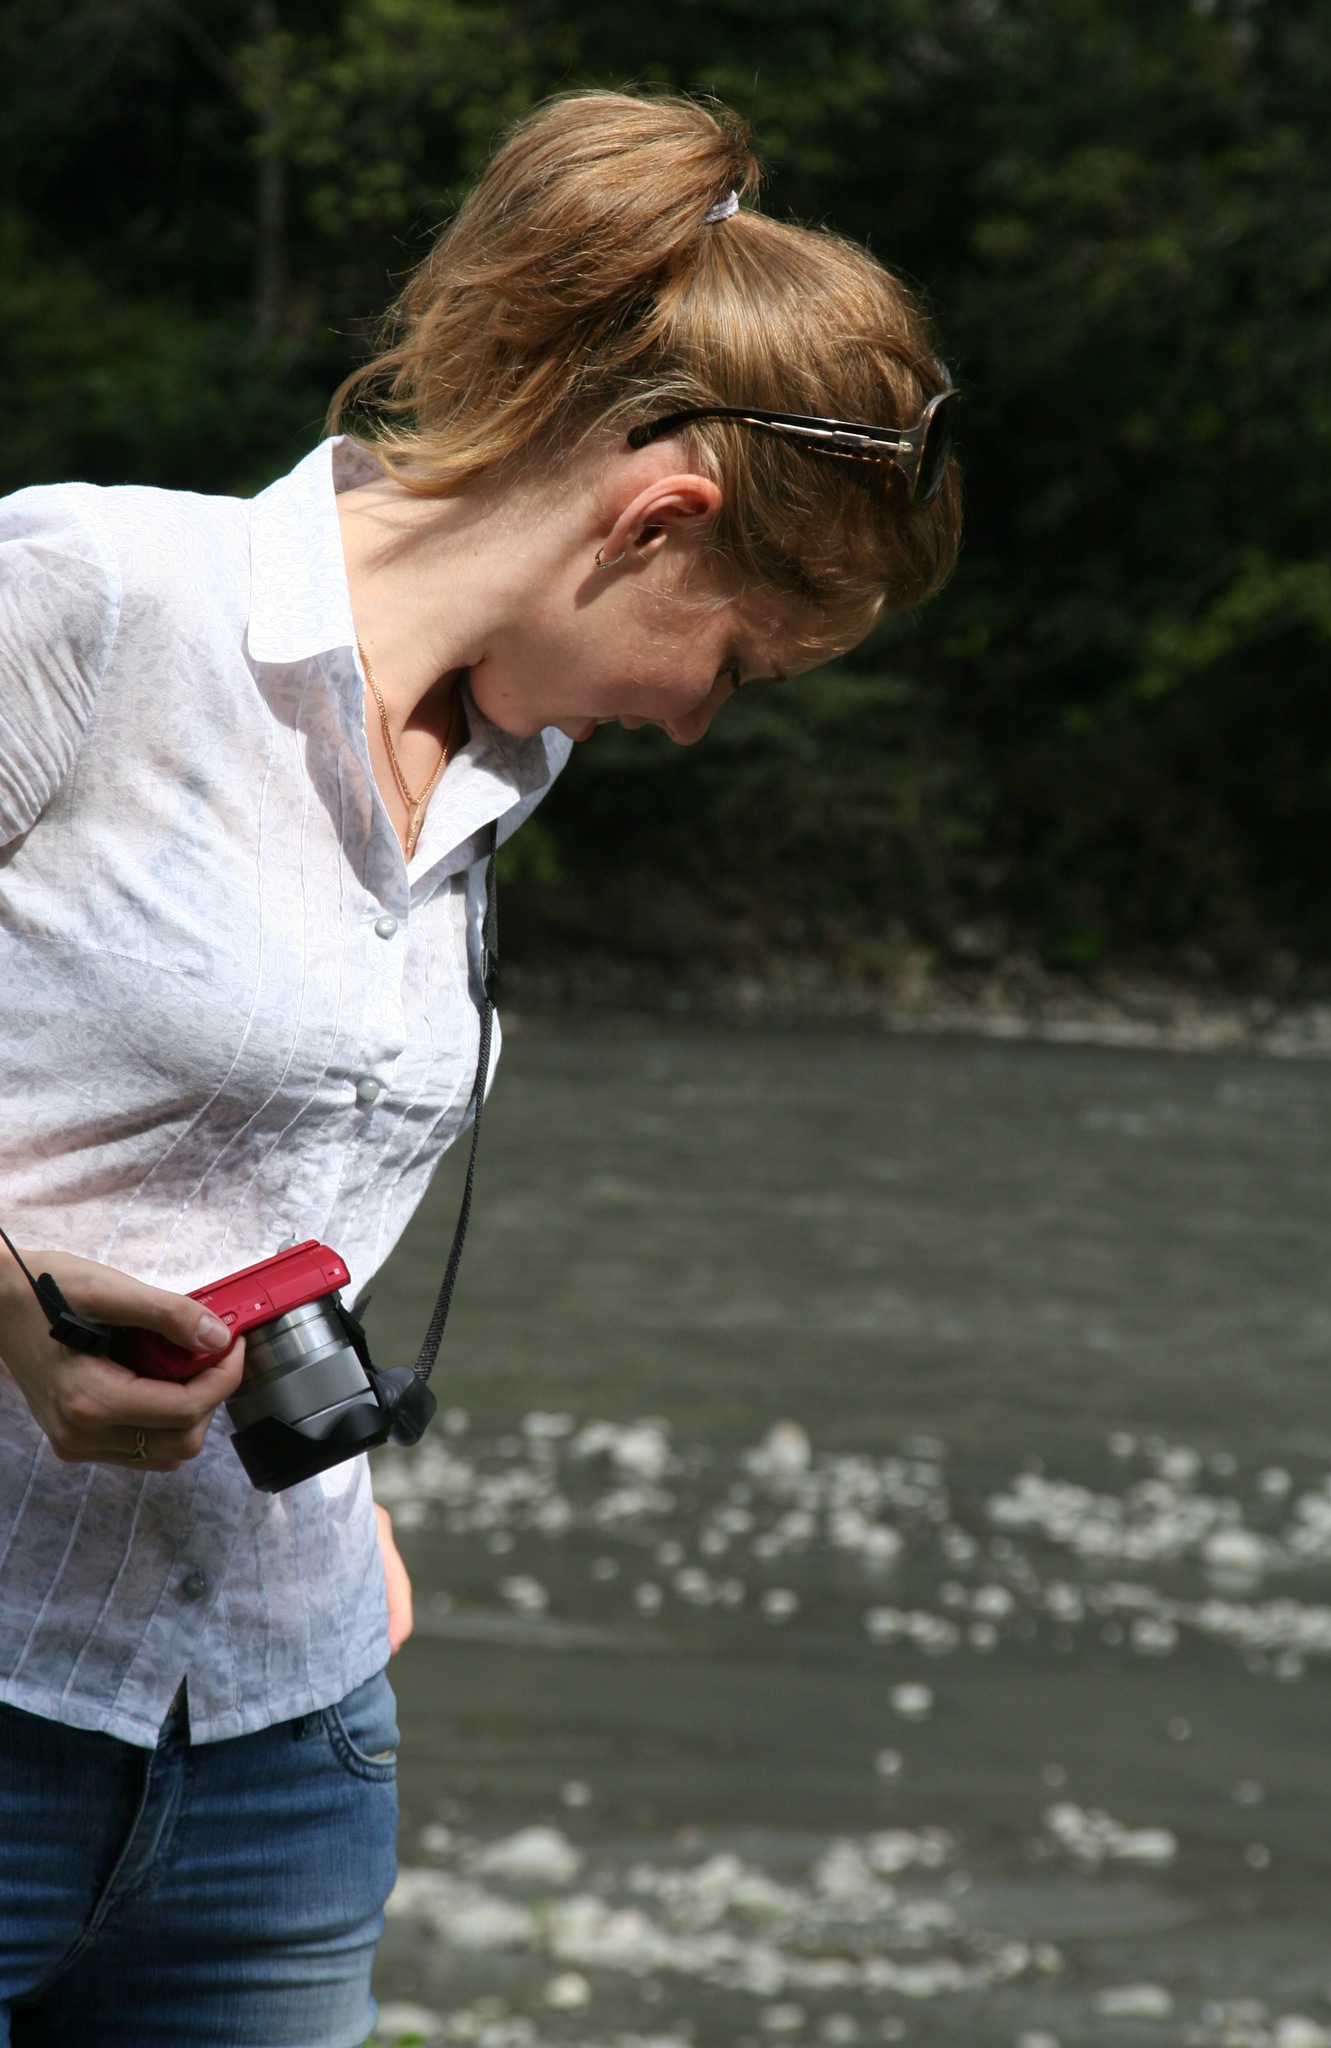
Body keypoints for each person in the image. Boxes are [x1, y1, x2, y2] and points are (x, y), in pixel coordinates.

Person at [0, 88, 961, 2048]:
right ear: (654, 520)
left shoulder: (511, 771)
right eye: (738, 662)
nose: (698, 723)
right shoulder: (95, 597)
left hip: (284, 1758)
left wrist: (339, 1511)